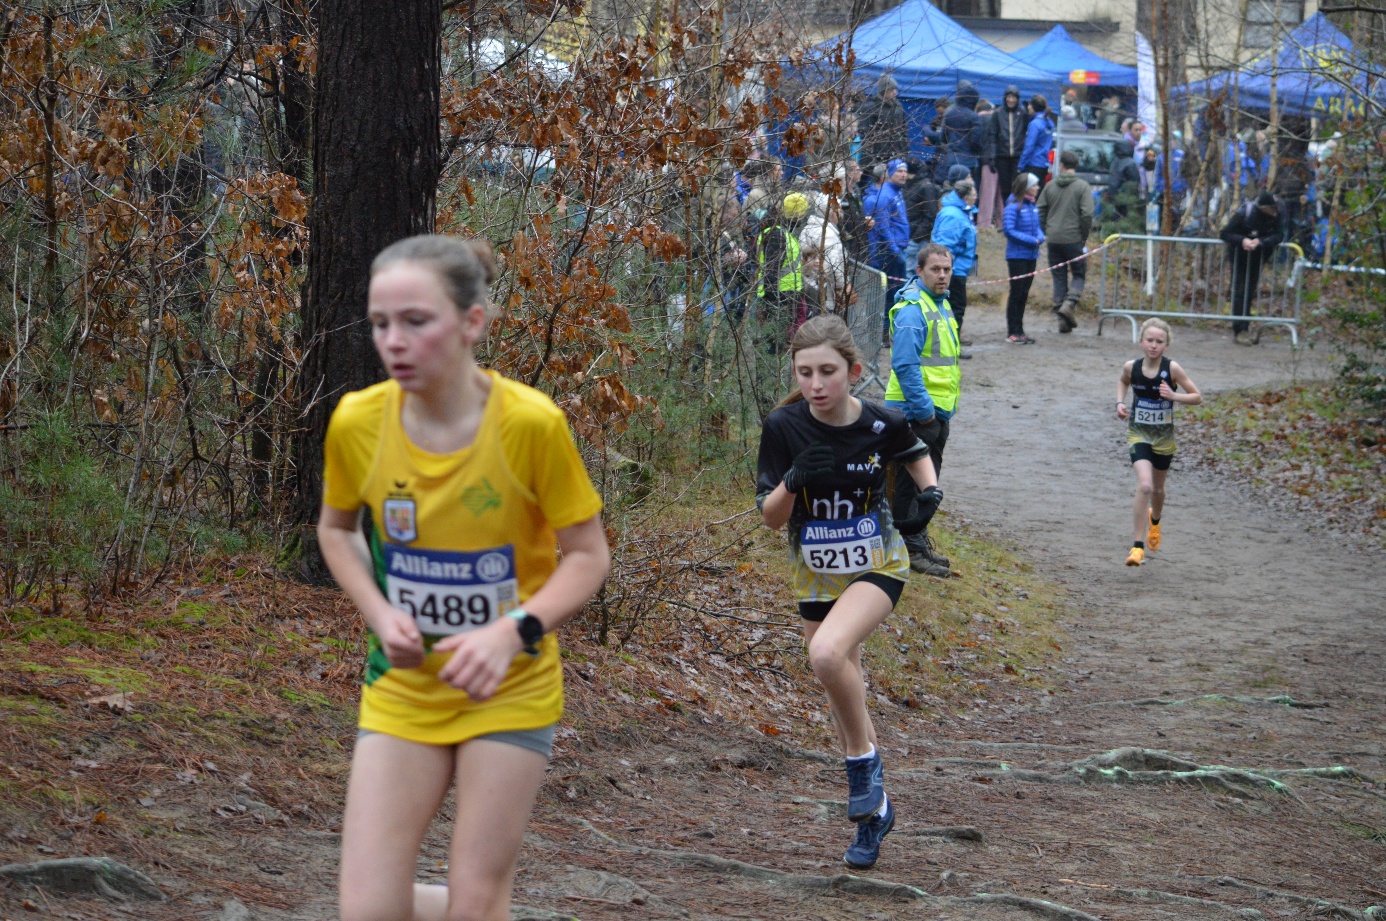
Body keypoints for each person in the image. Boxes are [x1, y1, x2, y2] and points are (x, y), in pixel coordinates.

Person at [318, 234, 611, 921]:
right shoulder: (357, 421)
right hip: (405, 688)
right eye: (381, 323)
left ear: (471, 323)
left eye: (416, 321)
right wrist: (378, 611)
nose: (394, 341)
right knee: (367, 910)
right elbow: (336, 529)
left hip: (510, 687)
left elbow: (590, 555)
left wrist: (512, 631)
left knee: (477, 901)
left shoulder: (531, 425)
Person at [756, 315, 942, 870]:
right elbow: (769, 519)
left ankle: (863, 768)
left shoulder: (882, 422)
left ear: (853, 372)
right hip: (815, 571)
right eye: (805, 372)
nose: (816, 384)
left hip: (878, 561)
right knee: (842, 693)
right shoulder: (783, 426)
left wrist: (929, 491)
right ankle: (873, 814)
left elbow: (914, 451)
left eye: (828, 372)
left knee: (825, 654)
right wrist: (792, 481)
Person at [885, 244, 962, 579]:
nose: (942, 275)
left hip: (935, 411)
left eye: (946, 269)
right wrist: (925, 412)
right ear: (919, 271)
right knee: (909, 485)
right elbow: (904, 365)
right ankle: (909, 549)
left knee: (924, 485)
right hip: (917, 412)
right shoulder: (914, 309)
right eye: (935, 269)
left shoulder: (939, 305)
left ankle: (916, 542)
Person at [1115, 318, 1202, 566]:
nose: (1153, 345)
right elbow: (1122, 382)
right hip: (1138, 433)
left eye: (1159, 342)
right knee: (1145, 486)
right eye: (1149, 340)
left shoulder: (1173, 369)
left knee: (1158, 490)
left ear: (1166, 345)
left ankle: (1156, 520)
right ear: (1141, 341)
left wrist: (1174, 395)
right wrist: (1120, 403)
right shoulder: (1132, 367)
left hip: (1163, 438)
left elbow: (1197, 397)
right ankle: (1137, 548)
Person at [1037, 148, 1094, 333]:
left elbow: (1041, 210)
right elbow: (1087, 214)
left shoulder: (1050, 186)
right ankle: (1069, 304)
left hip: (1053, 238)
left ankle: (1061, 315)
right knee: (1079, 274)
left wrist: (1047, 229)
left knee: (1059, 275)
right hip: (1074, 238)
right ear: (1075, 165)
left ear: (1060, 165)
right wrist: (1083, 235)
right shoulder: (1082, 187)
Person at [1219, 190, 1283, 343]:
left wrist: (1262, 242)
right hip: (1240, 256)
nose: (1273, 213)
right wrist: (1243, 241)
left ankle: (1245, 326)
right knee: (1240, 290)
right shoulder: (1245, 214)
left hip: (1258, 257)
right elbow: (1225, 233)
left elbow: (1279, 235)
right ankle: (1239, 329)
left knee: (1249, 291)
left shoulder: (1277, 215)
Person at [929, 174, 977, 356]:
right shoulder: (954, 216)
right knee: (955, 308)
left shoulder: (959, 212)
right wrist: (947, 270)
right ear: (966, 197)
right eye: (974, 195)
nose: (975, 198)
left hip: (958, 269)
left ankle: (950, 345)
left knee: (954, 307)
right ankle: (951, 347)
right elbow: (945, 248)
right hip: (954, 272)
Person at [1001, 172, 1043, 344]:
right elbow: (1009, 230)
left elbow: (1038, 227)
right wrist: (1031, 240)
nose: (1038, 188)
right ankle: (1013, 330)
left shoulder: (1033, 206)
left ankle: (1020, 330)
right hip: (1017, 256)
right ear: (1026, 187)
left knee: (1024, 294)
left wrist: (1041, 237)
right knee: (1016, 293)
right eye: (1034, 185)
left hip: (1031, 256)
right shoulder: (1012, 207)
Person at [864, 159, 911, 301]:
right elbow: (883, 226)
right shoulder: (885, 195)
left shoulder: (897, 191)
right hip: (890, 253)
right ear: (890, 173)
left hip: (900, 248)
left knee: (899, 293)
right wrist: (895, 251)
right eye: (899, 171)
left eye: (905, 171)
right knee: (892, 296)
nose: (903, 175)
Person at [985, 86, 1028, 217]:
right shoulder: (998, 113)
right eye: (1009, 97)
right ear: (1005, 98)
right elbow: (992, 135)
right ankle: (1006, 215)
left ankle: (1015, 214)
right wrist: (992, 157)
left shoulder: (1023, 113)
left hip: (1017, 156)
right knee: (1004, 188)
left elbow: (1026, 133)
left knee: (1016, 187)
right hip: (1002, 156)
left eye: (1013, 97)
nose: (1011, 100)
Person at [857, 74, 910, 174]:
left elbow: (903, 128)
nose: (895, 92)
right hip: (879, 154)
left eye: (895, 89)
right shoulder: (872, 107)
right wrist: (871, 155)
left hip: (897, 152)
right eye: (891, 90)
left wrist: (904, 148)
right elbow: (865, 132)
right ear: (884, 91)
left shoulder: (898, 106)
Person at [933, 81, 982, 187]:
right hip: (969, 160)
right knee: (968, 190)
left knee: (952, 188)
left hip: (952, 159)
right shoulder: (974, 117)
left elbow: (943, 137)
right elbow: (976, 142)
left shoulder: (949, 113)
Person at [975, 99, 1000, 229]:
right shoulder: (995, 120)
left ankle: (983, 224)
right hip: (998, 159)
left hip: (984, 159)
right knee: (999, 196)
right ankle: (1001, 224)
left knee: (986, 194)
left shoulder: (978, 120)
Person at [1019, 95, 1054, 192]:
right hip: (1044, 164)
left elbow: (1029, 146)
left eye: (1030, 105)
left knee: (1029, 192)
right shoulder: (1049, 122)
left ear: (1034, 107)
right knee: (1039, 191)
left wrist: (1020, 166)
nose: (1028, 107)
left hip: (1033, 163)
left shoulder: (1035, 124)